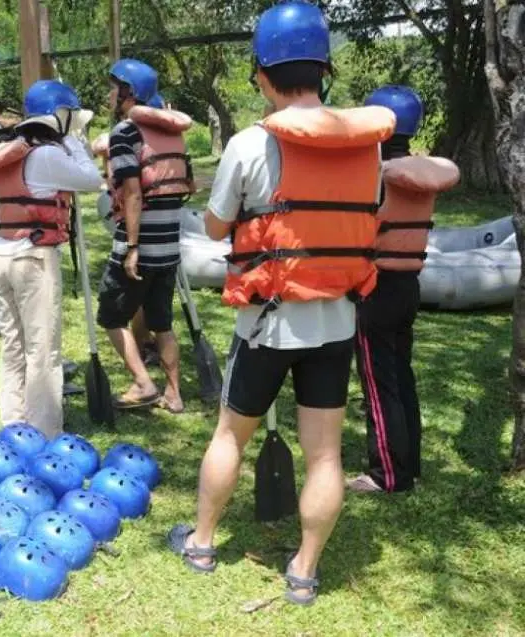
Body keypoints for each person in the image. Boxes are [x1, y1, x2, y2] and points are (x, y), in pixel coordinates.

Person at [167, 1, 395, 606]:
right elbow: (372, 217)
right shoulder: (369, 150)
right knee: (324, 453)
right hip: (337, 319)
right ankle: (304, 570)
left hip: (267, 325)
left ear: (262, 75)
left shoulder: (248, 144)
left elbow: (217, 230)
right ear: (324, 71)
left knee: (228, 435)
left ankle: (203, 542)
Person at [0, 80, 102, 439]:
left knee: (13, 344)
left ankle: (13, 421)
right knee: (43, 348)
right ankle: (43, 432)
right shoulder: (47, 154)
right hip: (34, 259)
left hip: (3, 257)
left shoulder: (16, 150)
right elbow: (92, 180)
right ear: (58, 116)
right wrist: (74, 141)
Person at [347, 86, 460, 494]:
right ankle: (409, 463)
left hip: (375, 289)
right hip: (407, 287)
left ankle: (386, 475)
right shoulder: (420, 172)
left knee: (378, 385)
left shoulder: (373, 174)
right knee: (400, 376)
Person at [96, 60, 195, 414]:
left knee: (110, 317)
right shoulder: (173, 133)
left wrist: (133, 248)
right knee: (161, 322)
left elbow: (134, 193)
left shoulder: (125, 132)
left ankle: (143, 384)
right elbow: (190, 184)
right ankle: (174, 394)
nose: (110, 93)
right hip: (170, 244)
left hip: (139, 244)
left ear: (130, 92)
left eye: (115, 86)